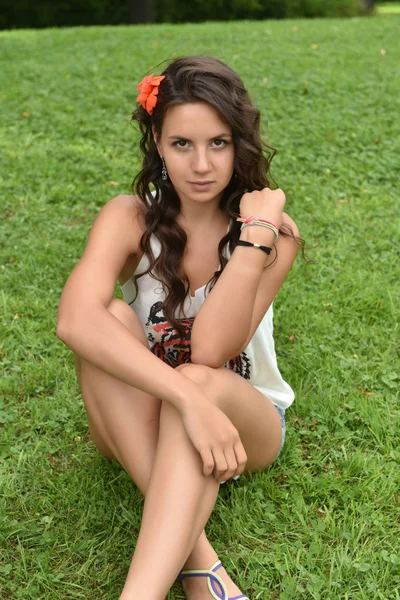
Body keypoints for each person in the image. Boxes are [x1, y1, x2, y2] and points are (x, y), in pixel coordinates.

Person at [57, 54, 301, 600]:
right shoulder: (128, 217)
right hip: (139, 416)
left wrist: (256, 235)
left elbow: (212, 351)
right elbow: (74, 320)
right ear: (158, 146)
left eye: (218, 142)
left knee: (198, 378)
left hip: (241, 419)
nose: (201, 165)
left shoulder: (269, 235)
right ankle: (203, 568)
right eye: (181, 144)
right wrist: (187, 404)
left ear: (241, 144)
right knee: (110, 318)